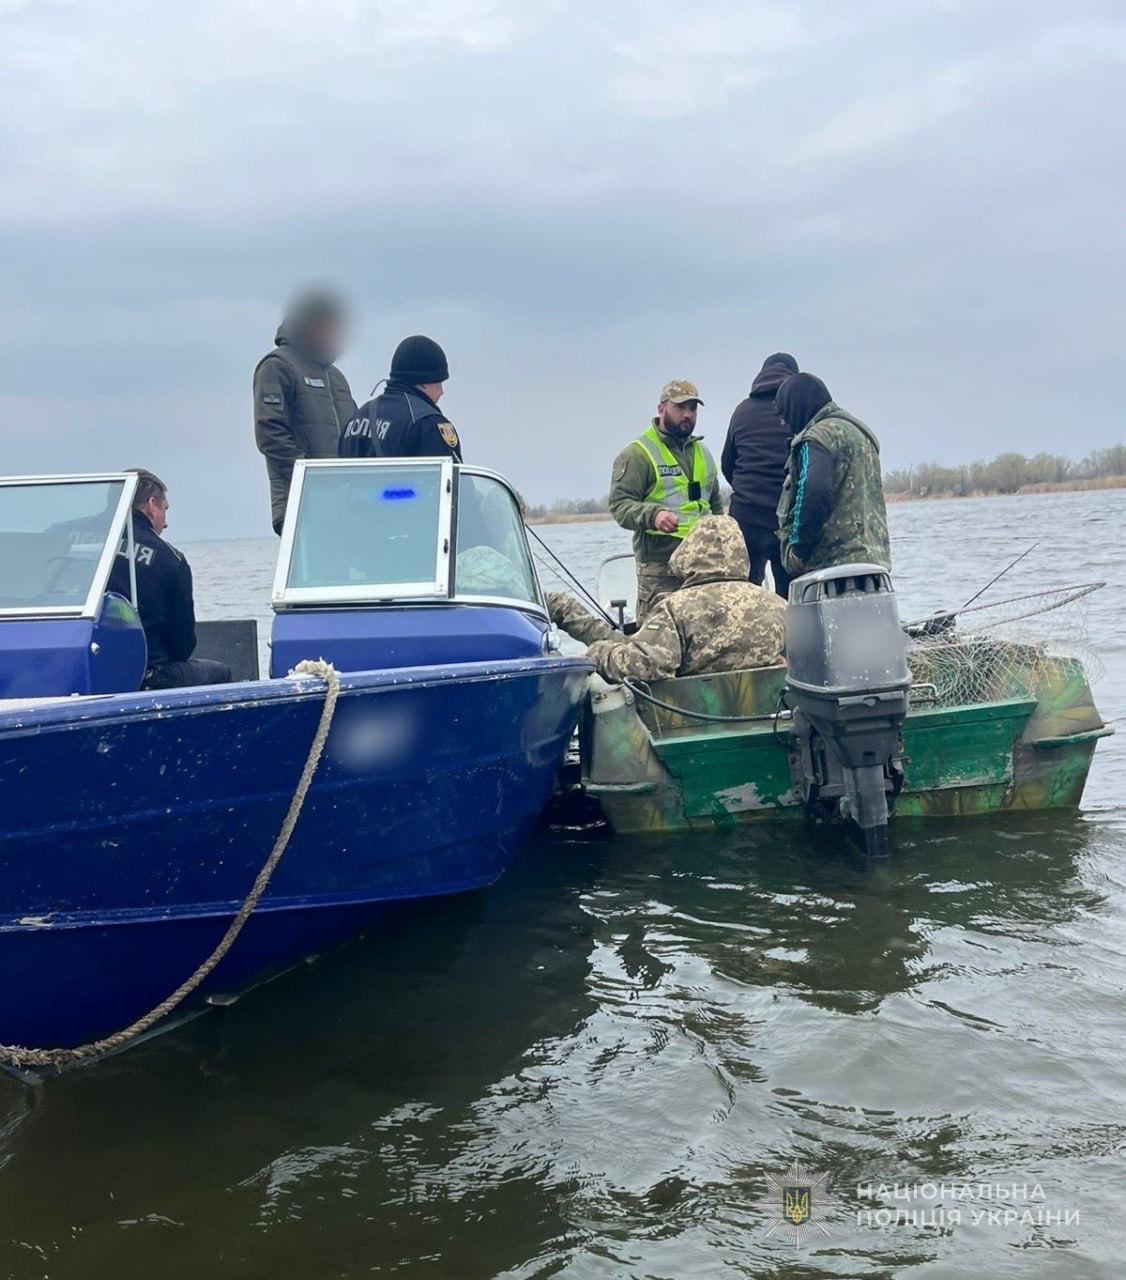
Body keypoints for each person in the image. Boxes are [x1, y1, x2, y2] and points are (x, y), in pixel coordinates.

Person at [546, 516, 785, 683]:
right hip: (769, 721)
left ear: (689, 554)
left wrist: (597, 654)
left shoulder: (675, 608)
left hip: (696, 725)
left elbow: (643, 666)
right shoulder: (778, 605)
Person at [608, 379, 723, 619]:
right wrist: (654, 516)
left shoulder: (704, 454)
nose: (687, 415)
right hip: (660, 571)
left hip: (701, 570)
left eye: (692, 409)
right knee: (657, 647)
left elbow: (715, 507)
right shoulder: (637, 454)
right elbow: (620, 505)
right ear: (661, 409)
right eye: (680, 407)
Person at [107, 470, 232, 690]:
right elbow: (182, 647)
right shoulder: (170, 559)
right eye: (165, 510)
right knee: (221, 673)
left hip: (83, 666)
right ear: (151, 505)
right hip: (148, 675)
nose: (165, 524)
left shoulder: (74, 541)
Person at [254, 288, 357, 534]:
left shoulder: (336, 377)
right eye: (330, 326)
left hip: (344, 505)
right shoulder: (277, 367)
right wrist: (311, 477)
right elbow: (270, 433)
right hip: (300, 502)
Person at [775, 373, 891, 576]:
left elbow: (814, 490)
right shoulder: (861, 434)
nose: (783, 424)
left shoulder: (817, 437)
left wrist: (798, 549)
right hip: (875, 562)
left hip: (832, 567)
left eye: (785, 414)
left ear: (798, 406)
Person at [721, 352, 799, 598]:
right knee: (790, 597)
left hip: (746, 518)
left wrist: (749, 491)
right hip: (786, 520)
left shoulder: (741, 411)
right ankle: (790, 636)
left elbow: (727, 464)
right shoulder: (798, 409)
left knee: (743, 595)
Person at [339, 335, 461, 461]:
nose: (442, 391)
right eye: (438, 382)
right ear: (424, 381)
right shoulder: (426, 423)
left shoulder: (356, 419)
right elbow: (452, 477)